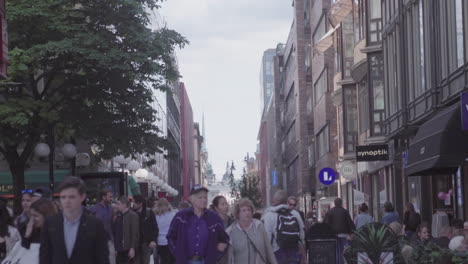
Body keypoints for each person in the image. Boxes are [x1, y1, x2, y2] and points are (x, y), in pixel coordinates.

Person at [39, 176, 110, 264]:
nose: (67, 201)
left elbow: (102, 258)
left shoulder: (95, 225)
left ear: (82, 197)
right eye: (63, 197)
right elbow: (45, 257)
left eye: (72, 197)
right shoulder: (50, 224)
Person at [167, 185, 229, 264]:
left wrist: (216, 255)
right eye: (200, 197)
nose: (203, 200)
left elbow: (225, 239)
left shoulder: (214, 218)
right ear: (191, 199)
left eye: (205, 197)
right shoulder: (181, 217)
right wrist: (178, 253)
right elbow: (170, 237)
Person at [226, 198, 277, 264]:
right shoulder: (230, 231)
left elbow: (268, 249)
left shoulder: (259, 226)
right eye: (243, 210)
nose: (247, 212)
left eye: (249, 210)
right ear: (238, 214)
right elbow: (228, 257)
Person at [262, 190, 305, 264]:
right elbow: (302, 235)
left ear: (275, 200)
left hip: (277, 253)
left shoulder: (269, 215)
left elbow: (267, 238)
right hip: (294, 252)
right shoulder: (295, 214)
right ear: (286, 201)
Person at [323, 198, 355, 264]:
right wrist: (352, 232)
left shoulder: (330, 212)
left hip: (333, 235)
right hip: (344, 234)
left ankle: (337, 262)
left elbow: (325, 223)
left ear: (334, 203)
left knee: (335, 250)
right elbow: (349, 222)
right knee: (343, 250)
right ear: (341, 203)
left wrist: (326, 233)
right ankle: (342, 261)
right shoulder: (345, 211)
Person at [90, 190, 116, 264]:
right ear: (103, 197)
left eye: (111, 197)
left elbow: (112, 223)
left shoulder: (111, 208)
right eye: (110, 197)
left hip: (110, 240)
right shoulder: (94, 209)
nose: (111, 198)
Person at [132, 195, 158, 264]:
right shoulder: (132, 213)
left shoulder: (149, 212)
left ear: (140, 203)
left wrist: (153, 240)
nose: (133, 204)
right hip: (135, 245)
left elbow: (155, 227)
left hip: (146, 244)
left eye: (135, 202)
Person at [114, 196, 139, 264]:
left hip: (127, 249)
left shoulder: (132, 215)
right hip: (119, 250)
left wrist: (132, 248)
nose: (117, 206)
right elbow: (116, 232)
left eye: (118, 204)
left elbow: (135, 233)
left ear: (124, 205)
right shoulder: (118, 216)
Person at [154, 198, 176, 264]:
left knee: (163, 259)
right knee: (172, 260)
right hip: (171, 241)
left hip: (160, 241)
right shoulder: (173, 214)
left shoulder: (155, 216)